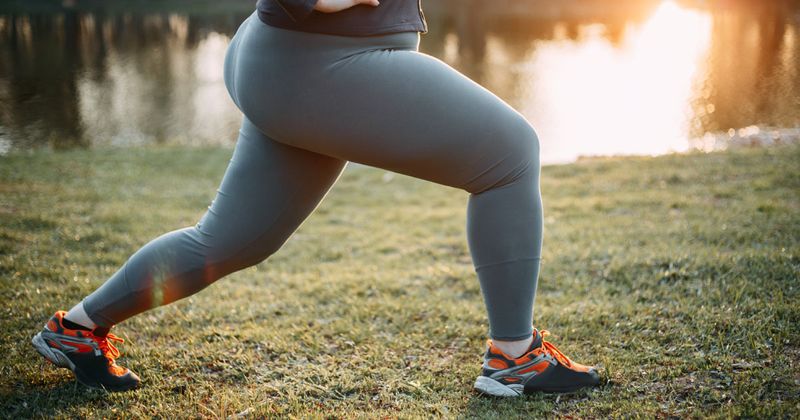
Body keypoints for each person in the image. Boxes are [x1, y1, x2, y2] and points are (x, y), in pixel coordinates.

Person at [32, 0, 599, 396]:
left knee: (230, 240)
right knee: (510, 153)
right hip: (318, 65)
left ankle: (77, 329)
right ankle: (514, 356)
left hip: (290, 65)